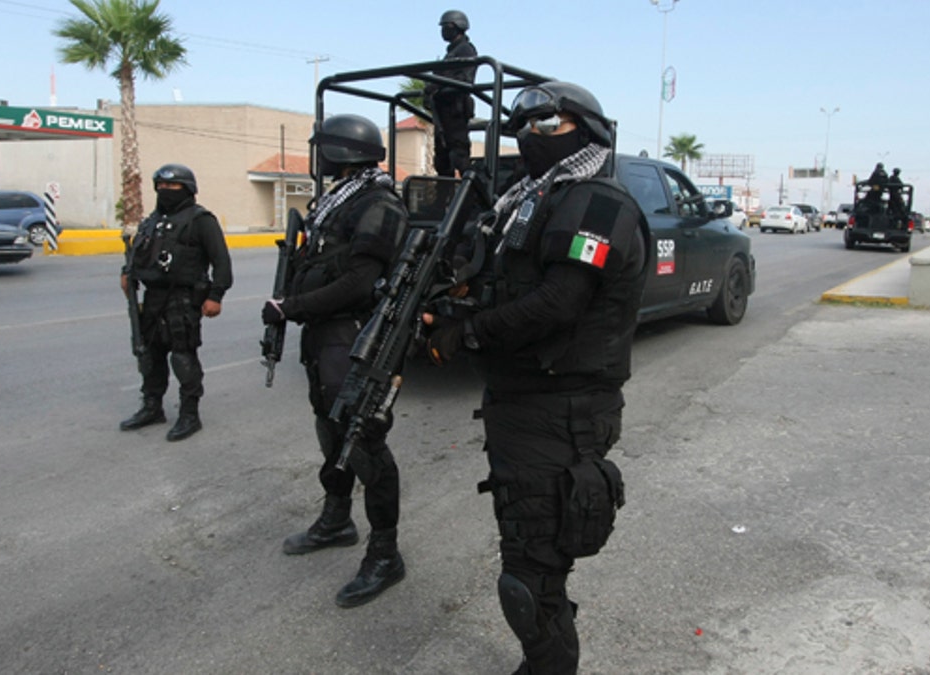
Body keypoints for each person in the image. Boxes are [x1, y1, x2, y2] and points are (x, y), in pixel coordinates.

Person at [423, 82, 649, 674]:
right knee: (537, 562)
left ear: (589, 131)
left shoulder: (600, 204)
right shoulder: (528, 200)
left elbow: (559, 302)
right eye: (523, 127)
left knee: (527, 578)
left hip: (564, 407)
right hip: (522, 403)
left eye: (549, 125)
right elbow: (498, 285)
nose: (531, 138)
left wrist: (468, 336)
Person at [261, 114, 409, 608]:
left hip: (356, 337)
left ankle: (385, 554)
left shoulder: (379, 205)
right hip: (324, 337)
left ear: (343, 152)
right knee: (330, 431)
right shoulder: (335, 202)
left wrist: (294, 307)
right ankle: (337, 519)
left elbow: (359, 283)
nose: (318, 156)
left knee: (364, 444)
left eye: (323, 148)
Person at [119, 164, 233, 442]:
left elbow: (221, 262)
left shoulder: (201, 220)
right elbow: (137, 255)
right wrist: (126, 274)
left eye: (173, 186)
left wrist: (215, 296)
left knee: (183, 358)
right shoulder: (152, 221)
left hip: (183, 299)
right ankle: (152, 407)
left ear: (188, 189)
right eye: (161, 186)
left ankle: (189, 414)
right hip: (153, 298)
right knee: (149, 356)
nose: (166, 191)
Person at [426, 9, 478, 178]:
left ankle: (472, 197)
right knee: (442, 159)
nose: (443, 31)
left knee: (459, 157)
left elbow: (465, 80)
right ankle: (444, 197)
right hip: (443, 113)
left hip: (455, 111)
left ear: (457, 27)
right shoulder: (450, 53)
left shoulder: (466, 50)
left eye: (446, 27)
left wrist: (439, 85)